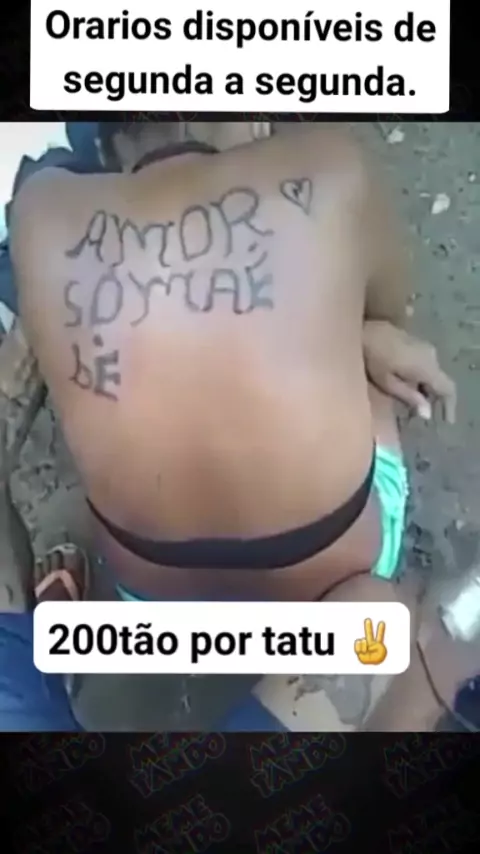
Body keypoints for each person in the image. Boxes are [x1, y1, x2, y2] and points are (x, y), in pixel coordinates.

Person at [6, 120, 461, 729]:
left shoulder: (39, 209)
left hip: (159, 606)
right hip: (338, 582)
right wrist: (350, 333)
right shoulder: (330, 167)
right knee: (370, 358)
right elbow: (385, 311)